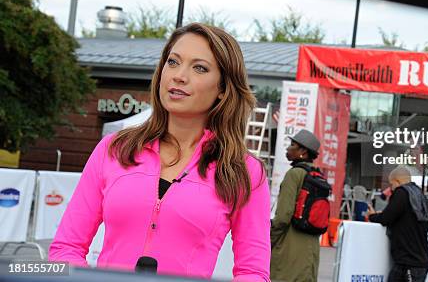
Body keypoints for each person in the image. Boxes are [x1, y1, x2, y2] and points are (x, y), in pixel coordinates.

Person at [49, 23, 271, 280]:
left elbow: (253, 272)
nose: (179, 76)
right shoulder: (114, 149)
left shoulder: (244, 172)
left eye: (199, 67)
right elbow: (66, 247)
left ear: (223, 89)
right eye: (173, 62)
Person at [270, 129, 322, 282]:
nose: (288, 148)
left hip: (290, 248)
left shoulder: (294, 174)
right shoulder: (316, 175)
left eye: (292, 145)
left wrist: (270, 240)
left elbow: (283, 217)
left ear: (303, 151)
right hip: (311, 251)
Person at [367, 166, 428, 282]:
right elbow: (402, 215)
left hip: (409, 261)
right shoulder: (419, 194)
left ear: (397, 181)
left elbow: (386, 218)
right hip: (417, 260)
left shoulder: (401, 192)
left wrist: (372, 215)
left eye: (391, 185)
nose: (391, 189)